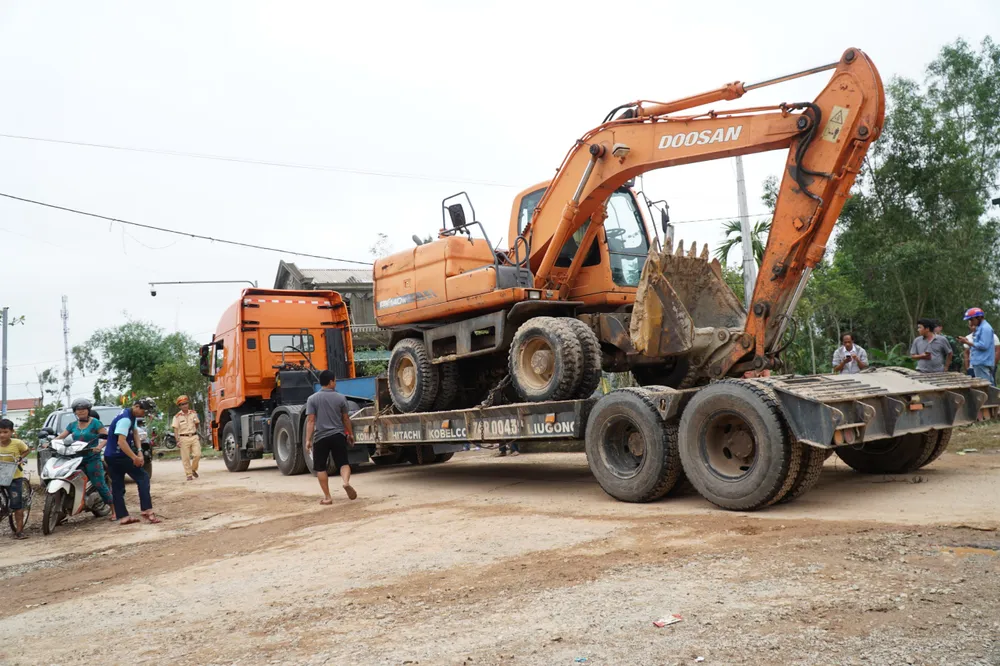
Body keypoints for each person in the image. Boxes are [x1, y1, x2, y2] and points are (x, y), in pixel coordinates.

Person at [105, 398, 161, 525]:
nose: (144, 414)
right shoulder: (125, 419)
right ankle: (147, 510)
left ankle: (123, 516)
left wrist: (139, 450)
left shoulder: (129, 415)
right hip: (119, 455)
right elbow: (121, 441)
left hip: (111, 455)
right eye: (143, 411)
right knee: (143, 477)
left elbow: (135, 432)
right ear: (136, 406)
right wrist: (134, 458)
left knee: (118, 486)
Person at [304, 370, 357, 504]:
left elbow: (311, 421)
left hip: (320, 437)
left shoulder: (312, 399)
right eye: (335, 380)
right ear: (331, 382)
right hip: (338, 435)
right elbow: (346, 419)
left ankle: (327, 497)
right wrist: (350, 434)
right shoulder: (340, 398)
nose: (335, 383)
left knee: (320, 467)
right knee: (343, 463)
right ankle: (345, 482)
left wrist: (308, 440)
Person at [56, 398, 114, 518]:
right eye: (78, 410)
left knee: (99, 483)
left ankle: (115, 510)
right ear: (75, 412)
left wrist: (99, 446)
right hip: (76, 458)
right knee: (67, 479)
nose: (81, 412)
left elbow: (107, 437)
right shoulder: (72, 425)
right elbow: (61, 437)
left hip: (92, 458)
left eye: (83, 410)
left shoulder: (95, 423)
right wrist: (50, 443)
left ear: (88, 410)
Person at [0, 418, 30, 539]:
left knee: (17, 504)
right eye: (0, 432)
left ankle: (19, 530)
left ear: (11, 432)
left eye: (5, 432)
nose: (2, 435)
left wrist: (20, 459)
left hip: (14, 477)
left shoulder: (17, 443)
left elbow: (27, 450)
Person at [958, 308, 998, 385]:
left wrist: (967, 342)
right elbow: (978, 342)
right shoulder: (980, 328)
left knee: (986, 386)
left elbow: (984, 345)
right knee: (985, 386)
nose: (971, 322)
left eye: (972, 320)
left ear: (979, 317)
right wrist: (967, 340)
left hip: (982, 362)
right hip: (979, 362)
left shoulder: (985, 328)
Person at [171, 395, 201, 481]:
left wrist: (195, 431)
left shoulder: (193, 413)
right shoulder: (177, 416)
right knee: (186, 457)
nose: (185, 405)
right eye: (182, 404)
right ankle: (189, 474)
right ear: (179, 406)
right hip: (183, 438)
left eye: (186, 403)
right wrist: (177, 441)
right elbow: (175, 429)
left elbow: (197, 423)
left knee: (197, 455)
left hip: (194, 436)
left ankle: (193, 469)